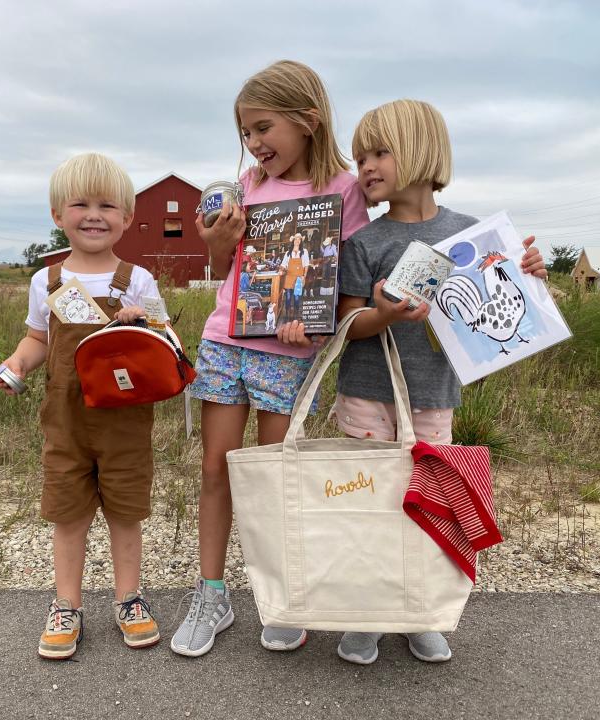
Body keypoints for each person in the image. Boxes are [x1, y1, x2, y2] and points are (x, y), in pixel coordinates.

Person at [331, 99, 547, 666]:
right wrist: (384, 316)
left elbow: (507, 306)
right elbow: (347, 328)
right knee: (370, 507)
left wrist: (530, 278)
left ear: (423, 152)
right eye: (359, 158)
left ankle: (420, 613)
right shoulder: (364, 244)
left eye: (379, 152)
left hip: (433, 395)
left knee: (430, 505)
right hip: (365, 392)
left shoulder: (472, 234)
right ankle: (371, 617)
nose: (366, 167)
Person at [170, 60, 369, 658]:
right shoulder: (246, 188)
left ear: (308, 120)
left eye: (263, 128)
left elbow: (348, 280)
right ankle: (212, 593)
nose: (255, 145)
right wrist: (217, 244)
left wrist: (316, 324)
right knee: (216, 469)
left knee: (276, 477)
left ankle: (283, 592)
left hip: (286, 353)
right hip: (225, 340)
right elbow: (229, 270)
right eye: (245, 135)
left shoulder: (343, 189)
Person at [0, 152, 164, 660]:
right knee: (68, 516)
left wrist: (142, 322)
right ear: (56, 215)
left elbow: (165, 336)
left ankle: (129, 598)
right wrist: (18, 364)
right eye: (80, 204)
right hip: (65, 424)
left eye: (108, 205)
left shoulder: (138, 280)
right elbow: (35, 339)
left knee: (125, 514)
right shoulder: (45, 282)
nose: (94, 214)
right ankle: (67, 604)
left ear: (128, 218)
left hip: (126, 423)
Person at [279, 233, 310, 322]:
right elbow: (284, 264)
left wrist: (304, 276)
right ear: (293, 241)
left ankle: (296, 315)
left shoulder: (304, 251)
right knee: (288, 297)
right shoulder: (288, 252)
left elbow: (306, 265)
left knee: (296, 297)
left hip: (299, 278)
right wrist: (281, 269)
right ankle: (287, 315)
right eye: (296, 239)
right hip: (289, 277)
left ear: (300, 241)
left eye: (299, 239)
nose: (297, 241)